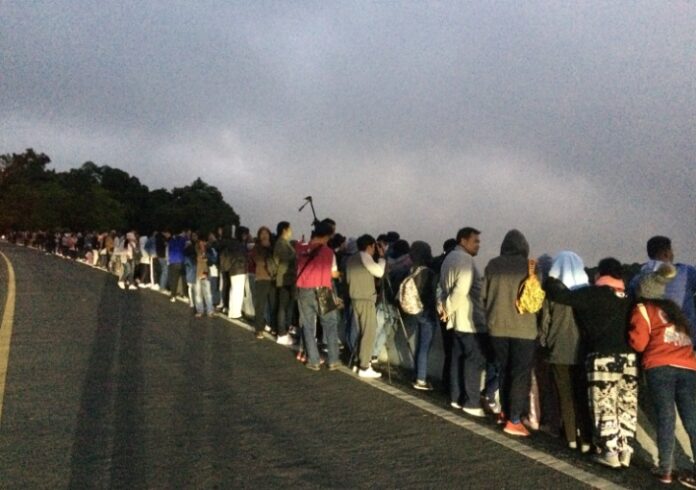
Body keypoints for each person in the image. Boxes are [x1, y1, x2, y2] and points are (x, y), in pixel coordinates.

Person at [545, 257, 637, 469]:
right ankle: (626, 452)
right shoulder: (629, 296)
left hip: (603, 357)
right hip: (629, 358)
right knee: (626, 404)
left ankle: (610, 453)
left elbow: (561, 296)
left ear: (600, 274)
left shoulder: (595, 294)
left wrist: (550, 278)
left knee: (604, 404)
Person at [628, 264, 696, 487]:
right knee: (691, 419)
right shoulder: (673, 309)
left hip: (660, 367)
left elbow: (639, 343)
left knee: (666, 418)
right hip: (688, 366)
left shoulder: (643, 309)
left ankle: (665, 469)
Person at [482, 229, 538, 436]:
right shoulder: (531, 267)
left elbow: (483, 297)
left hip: (497, 328)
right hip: (524, 329)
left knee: (504, 370)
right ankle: (514, 420)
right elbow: (538, 300)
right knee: (519, 374)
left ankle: (505, 414)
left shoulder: (492, 265)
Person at [539, 251, 592, 452]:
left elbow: (545, 324)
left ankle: (570, 438)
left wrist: (544, 344)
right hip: (581, 352)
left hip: (558, 351)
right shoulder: (586, 293)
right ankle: (586, 440)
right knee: (581, 397)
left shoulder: (551, 293)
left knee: (565, 396)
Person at [440, 227, 488, 416]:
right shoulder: (466, 261)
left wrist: (445, 309)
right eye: (475, 241)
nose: (478, 245)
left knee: (457, 358)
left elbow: (444, 288)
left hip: (455, 320)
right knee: (474, 359)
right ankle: (471, 402)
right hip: (469, 319)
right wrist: (449, 308)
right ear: (463, 240)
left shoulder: (449, 258)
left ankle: (456, 397)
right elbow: (461, 290)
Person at [629, 236, 696, 343]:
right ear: (666, 253)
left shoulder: (637, 280)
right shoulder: (686, 272)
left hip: (653, 343)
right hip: (686, 342)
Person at [295, 221, 341, 371]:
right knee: (330, 325)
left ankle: (313, 361)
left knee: (307, 325)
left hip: (304, 290)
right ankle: (333, 360)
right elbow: (333, 273)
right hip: (324, 290)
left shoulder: (300, 248)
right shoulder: (329, 252)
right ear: (327, 236)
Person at [346, 234, 386, 378]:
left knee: (361, 332)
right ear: (370, 246)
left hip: (355, 298)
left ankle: (359, 363)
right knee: (369, 333)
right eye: (374, 247)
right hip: (366, 299)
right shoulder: (365, 257)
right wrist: (382, 258)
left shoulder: (351, 258)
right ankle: (364, 366)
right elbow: (379, 272)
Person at [404, 241, 438, 391]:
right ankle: (421, 379)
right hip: (427, 312)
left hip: (415, 310)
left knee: (419, 345)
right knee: (425, 346)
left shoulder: (412, 269)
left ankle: (417, 374)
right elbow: (432, 294)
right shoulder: (428, 272)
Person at [250, 226, 277, 339]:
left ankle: (274, 327)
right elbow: (257, 260)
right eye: (262, 233)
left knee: (273, 304)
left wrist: (269, 248)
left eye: (266, 233)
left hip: (273, 279)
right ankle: (259, 329)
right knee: (260, 305)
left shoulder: (273, 247)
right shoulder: (257, 247)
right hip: (261, 278)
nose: (264, 235)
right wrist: (264, 249)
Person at [274, 221, 296, 345]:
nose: (291, 231)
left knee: (285, 306)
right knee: (282, 306)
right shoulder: (281, 243)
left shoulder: (283, 243)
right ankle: (281, 333)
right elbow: (285, 260)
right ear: (284, 230)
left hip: (287, 278)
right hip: (284, 278)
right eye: (290, 229)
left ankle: (284, 330)